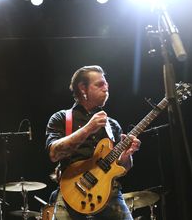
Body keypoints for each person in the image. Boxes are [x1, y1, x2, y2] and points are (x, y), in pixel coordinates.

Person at [45, 65, 141, 220]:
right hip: (71, 193)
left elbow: (123, 167)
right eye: (99, 84)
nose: (106, 88)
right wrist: (88, 128)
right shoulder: (61, 118)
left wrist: (127, 155)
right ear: (83, 88)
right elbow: (54, 154)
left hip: (110, 195)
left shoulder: (112, 125)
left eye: (106, 85)